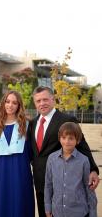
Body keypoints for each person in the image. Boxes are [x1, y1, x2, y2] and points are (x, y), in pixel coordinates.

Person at [30, 86, 100, 217]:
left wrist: (93, 169)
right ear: (35, 103)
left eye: (45, 99)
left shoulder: (66, 120)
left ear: (53, 99)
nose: (42, 103)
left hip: (63, 181)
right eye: (38, 101)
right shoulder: (33, 123)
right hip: (40, 182)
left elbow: (83, 146)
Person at [0, 91, 35, 217]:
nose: (10, 105)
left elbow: (31, 151)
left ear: (19, 105)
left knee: (20, 202)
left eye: (14, 103)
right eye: (7, 101)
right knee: (2, 201)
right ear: (3, 103)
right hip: (1, 172)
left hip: (21, 171)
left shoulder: (27, 124)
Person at [45, 122, 97, 217]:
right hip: (57, 212)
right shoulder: (51, 159)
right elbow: (48, 185)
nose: (67, 141)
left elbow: (88, 188)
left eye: (71, 138)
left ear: (77, 140)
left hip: (78, 212)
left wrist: (93, 212)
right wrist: (48, 207)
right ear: (59, 138)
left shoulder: (84, 160)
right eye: (64, 138)